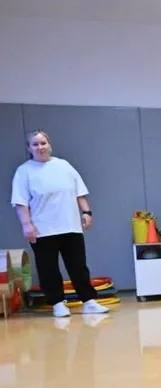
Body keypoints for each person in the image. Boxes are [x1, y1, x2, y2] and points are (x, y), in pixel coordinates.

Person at [10, 130, 109, 319]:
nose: (40, 147)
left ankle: (89, 301)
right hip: (42, 229)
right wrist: (27, 225)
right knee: (48, 268)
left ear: (49, 145)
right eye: (35, 144)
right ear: (29, 148)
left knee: (78, 265)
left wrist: (86, 212)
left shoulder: (64, 166)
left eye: (43, 143)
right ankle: (57, 303)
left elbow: (79, 192)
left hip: (70, 225)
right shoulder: (24, 171)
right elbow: (20, 202)